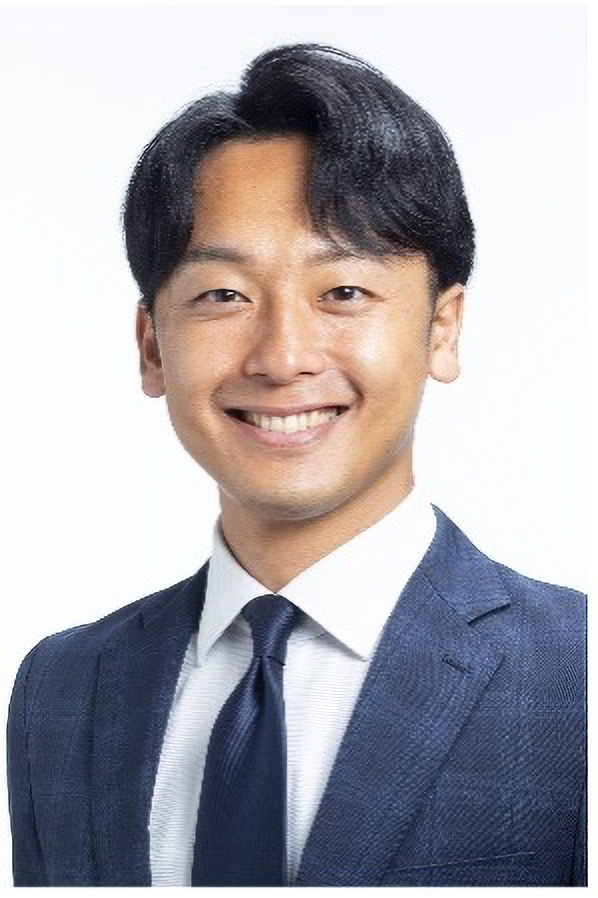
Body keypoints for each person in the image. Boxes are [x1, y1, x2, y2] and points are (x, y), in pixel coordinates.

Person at [7, 43, 585, 887]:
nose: (282, 358)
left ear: (442, 328)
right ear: (151, 346)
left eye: (343, 292)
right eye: (223, 295)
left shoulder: (576, 674)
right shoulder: (62, 688)